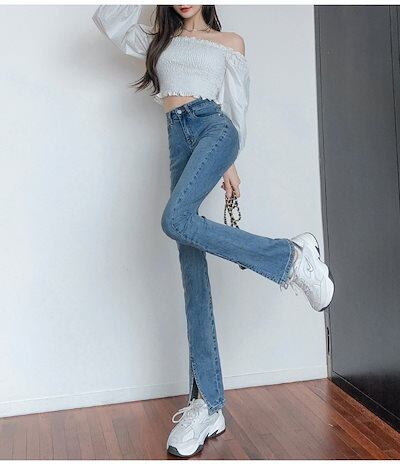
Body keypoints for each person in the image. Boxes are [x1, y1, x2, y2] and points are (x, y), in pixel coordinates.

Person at [92, 4, 335, 458]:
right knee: (191, 268)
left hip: (214, 130)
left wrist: (229, 163)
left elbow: (236, 107)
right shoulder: (158, 41)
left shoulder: (229, 43)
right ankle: (208, 404)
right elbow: (109, 19)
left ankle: (292, 259)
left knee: (174, 221)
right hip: (177, 139)